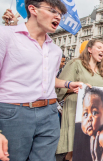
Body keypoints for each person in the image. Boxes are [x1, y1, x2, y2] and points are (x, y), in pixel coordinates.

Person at [0, 1, 85, 161]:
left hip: (49, 113)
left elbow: (48, 79)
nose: (58, 17)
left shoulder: (55, 50)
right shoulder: (5, 35)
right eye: (53, 11)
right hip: (14, 113)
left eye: (60, 14)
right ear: (33, 9)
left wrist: (67, 84)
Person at [56, 40, 103, 161]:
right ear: (89, 49)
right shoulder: (75, 64)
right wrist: (75, 88)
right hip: (76, 109)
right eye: (99, 47)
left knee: (87, 148)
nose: (102, 50)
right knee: (74, 148)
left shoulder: (101, 72)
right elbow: (59, 89)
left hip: (92, 113)